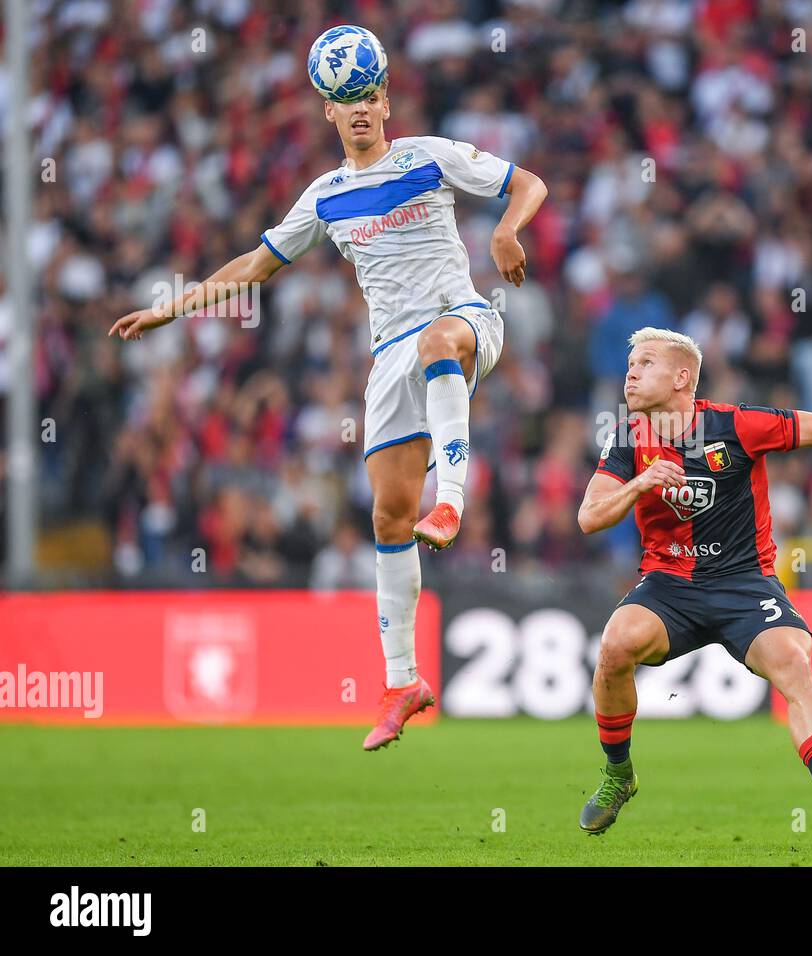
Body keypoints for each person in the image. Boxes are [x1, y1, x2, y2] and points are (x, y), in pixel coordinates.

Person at [109, 63, 548, 752]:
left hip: (462, 317)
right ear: (329, 113)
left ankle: (453, 499)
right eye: (346, 101)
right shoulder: (324, 197)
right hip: (390, 356)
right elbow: (254, 266)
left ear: (386, 102)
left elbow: (529, 184)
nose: (360, 109)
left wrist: (506, 231)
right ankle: (402, 682)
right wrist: (173, 307)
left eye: (369, 96)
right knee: (387, 516)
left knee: (439, 343)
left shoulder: (430, 156)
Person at [575, 328, 812, 836]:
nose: (631, 374)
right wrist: (640, 483)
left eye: (645, 363)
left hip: (745, 584)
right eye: (630, 365)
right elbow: (589, 517)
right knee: (616, 645)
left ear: (682, 377)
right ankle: (619, 775)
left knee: (794, 664)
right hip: (670, 584)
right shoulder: (627, 438)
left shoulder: (736, 425)